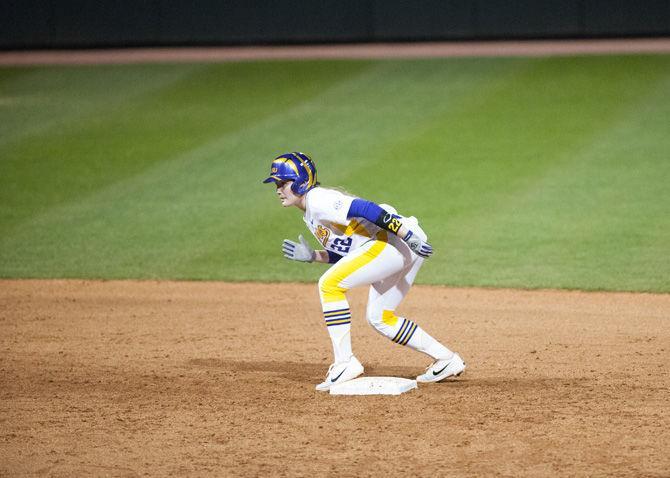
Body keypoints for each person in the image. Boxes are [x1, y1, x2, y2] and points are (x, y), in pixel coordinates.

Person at [263, 152, 465, 391]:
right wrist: (314, 256)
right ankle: (446, 359)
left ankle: (345, 363)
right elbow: (349, 253)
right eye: (276, 184)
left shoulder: (318, 199)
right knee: (380, 318)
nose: (278, 189)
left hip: (394, 241)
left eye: (282, 183)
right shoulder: (310, 213)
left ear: (300, 181)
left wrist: (406, 235)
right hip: (395, 246)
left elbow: (366, 208)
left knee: (329, 285)